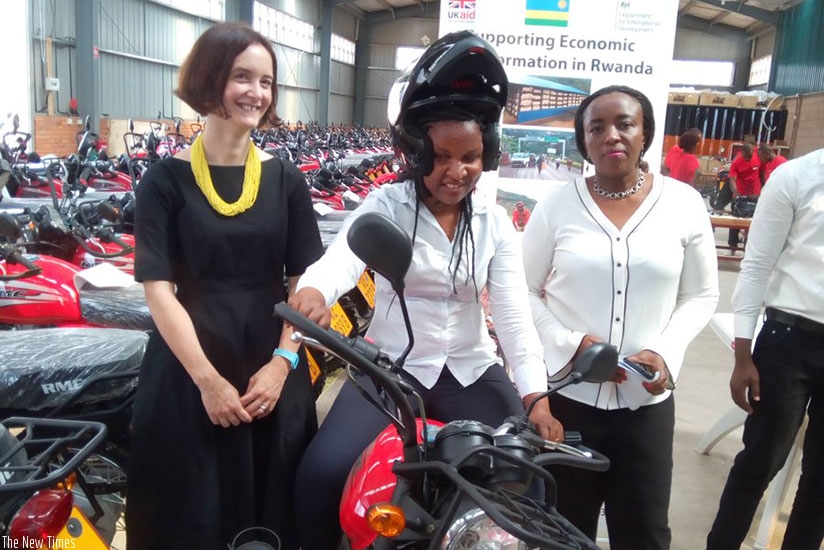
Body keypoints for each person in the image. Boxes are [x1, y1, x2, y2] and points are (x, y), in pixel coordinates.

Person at [290, 31, 560, 550]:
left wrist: (536, 398)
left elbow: (513, 319)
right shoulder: (386, 207)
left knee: (530, 483)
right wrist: (315, 292)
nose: (457, 173)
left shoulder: (495, 224)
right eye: (442, 157)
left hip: (471, 371)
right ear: (416, 153)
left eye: (471, 157)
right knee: (321, 474)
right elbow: (340, 260)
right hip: (389, 370)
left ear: (488, 154)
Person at [127, 22, 323, 549]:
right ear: (210, 78)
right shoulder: (163, 181)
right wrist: (207, 382)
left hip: (271, 368)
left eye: (266, 81)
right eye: (242, 76)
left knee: (275, 510)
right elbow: (158, 289)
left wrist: (282, 364)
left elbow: (305, 284)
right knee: (191, 517)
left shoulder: (286, 179)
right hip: (188, 370)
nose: (256, 92)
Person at [521, 85, 719, 549]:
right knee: (561, 530)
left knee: (644, 530)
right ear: (584, 142)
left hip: (645, 406)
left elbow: (701, 294)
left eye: (625, 124)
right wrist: (571, 345)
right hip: (569, 401)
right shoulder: (557, 206)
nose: (612, 135)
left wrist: (665, 353)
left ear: (645, 133)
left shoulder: (684, 204)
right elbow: (522, 291)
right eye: (597, 127)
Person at [706, 149, 824, 550]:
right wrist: (742, 354)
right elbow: (756, 265)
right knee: (760, 461)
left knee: (822, 478)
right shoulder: (796, 178)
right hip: (789, 340)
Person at [727, 142, 761, 248]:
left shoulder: (757, 156)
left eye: (750, 156)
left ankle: (748, 244)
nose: (749, 158)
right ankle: (733, 244)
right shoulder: (737, 162)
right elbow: (732, 180)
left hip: (755, 193)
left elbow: (762, 172)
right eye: (747, 156)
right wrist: (736, 194)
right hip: (741, 192)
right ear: (742, 153)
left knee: (752, 221)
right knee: (736, 220)